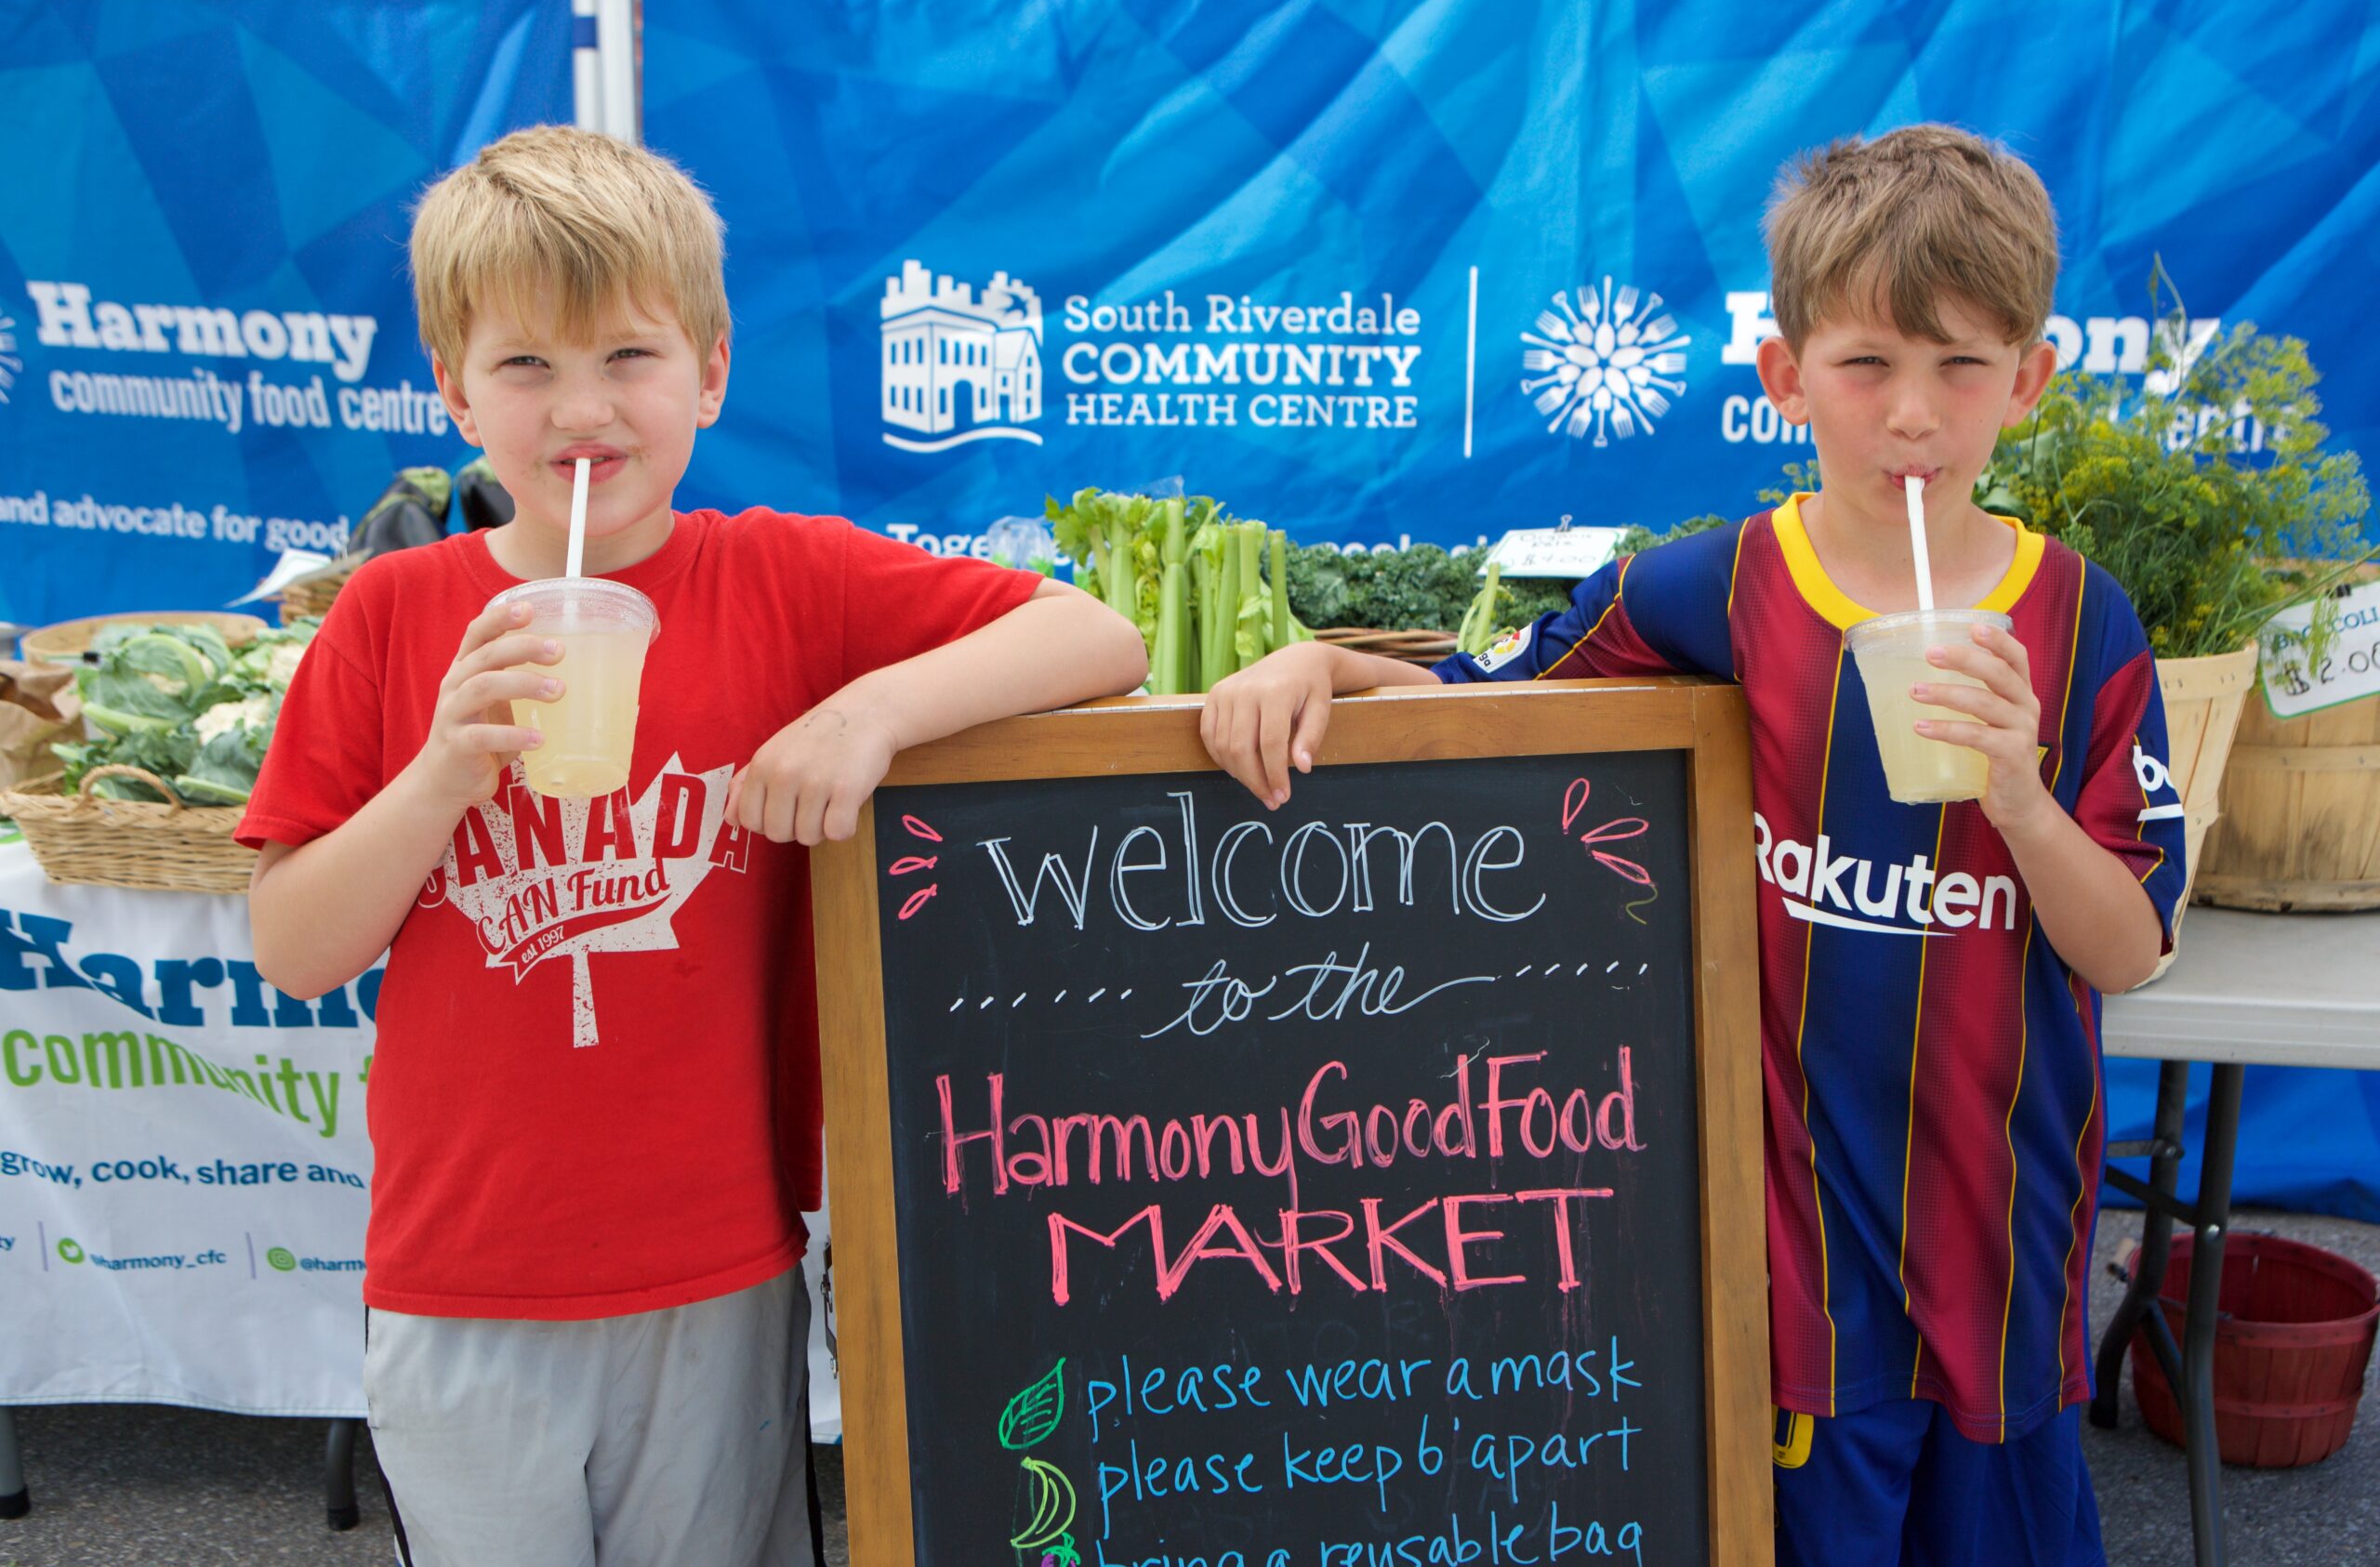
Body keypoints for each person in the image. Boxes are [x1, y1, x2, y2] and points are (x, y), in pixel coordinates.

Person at [1201, 124, 2184, 1566]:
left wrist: (2020, 797)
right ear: (1786, 376)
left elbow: (2132, 949)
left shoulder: (2088, 624)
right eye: (1866, 366)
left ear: (2028, 381)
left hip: (2005, 1243)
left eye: (1963, 365)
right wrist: (1324, 670)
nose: (1913, 415)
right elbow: (1499, 709)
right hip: (1795, 1264)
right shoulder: (1711, 591)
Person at [240, 125, 1145, 1567]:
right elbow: (294, 952)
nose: (581, 410)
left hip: (720, 1266)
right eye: (526, 365)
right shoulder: (391, 615)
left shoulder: (785, 579)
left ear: (711, 370)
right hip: (462, 1279)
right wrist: (437, 778)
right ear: (452, 392)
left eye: (629, 359)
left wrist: (871, 710)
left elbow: (1100, 634)